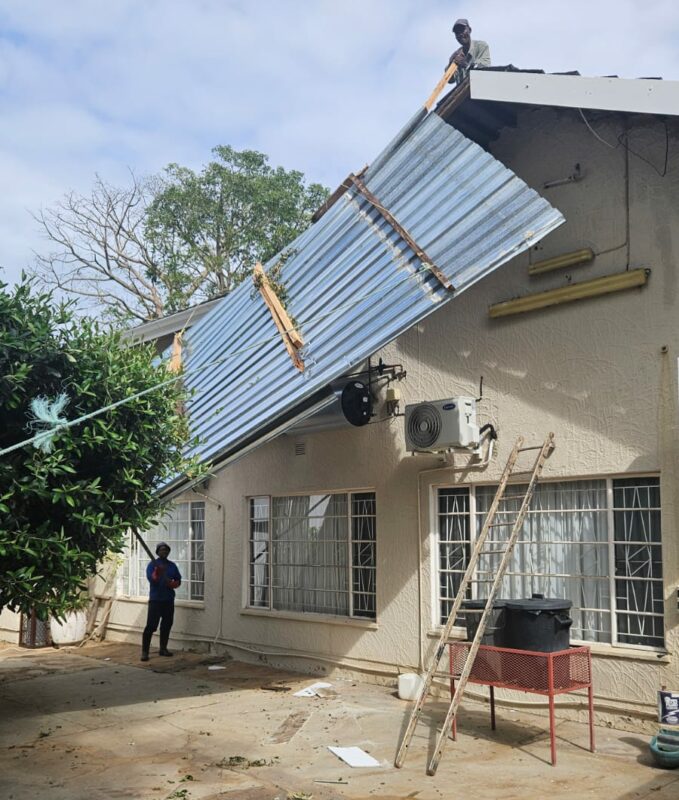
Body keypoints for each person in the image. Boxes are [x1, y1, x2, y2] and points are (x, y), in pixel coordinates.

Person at [140, 541, 181, 661]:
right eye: (162, 550)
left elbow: (178, 579)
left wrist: (174, 584)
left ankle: (163, 649)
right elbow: (151, 579)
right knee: (151, 626)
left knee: (166, 625)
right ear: (157, 552)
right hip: (156, 600)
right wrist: (156, 573)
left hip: (168, 599)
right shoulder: (152, 565)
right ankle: (145, 652)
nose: (164, 552)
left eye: (166, 550)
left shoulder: (172, 565)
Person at [447, 18, 491, 85]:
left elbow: (485, 68)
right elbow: (449, 80)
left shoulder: (481, 46)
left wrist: (466, 64)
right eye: (457, 33)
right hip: (464, 90)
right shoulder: (457, 55)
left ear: (469, 30)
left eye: (462, 30)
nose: (460, 34)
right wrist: (450, 63)